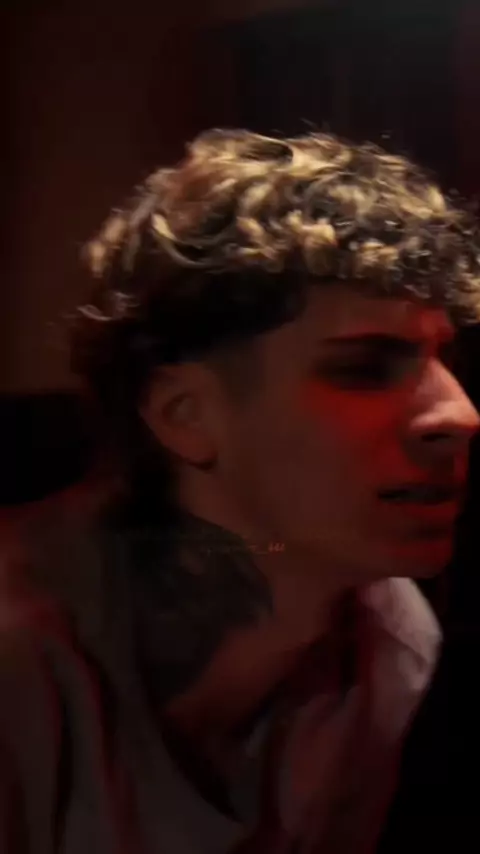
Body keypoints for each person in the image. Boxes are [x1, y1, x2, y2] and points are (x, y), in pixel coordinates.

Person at [1, 129, 479, 854]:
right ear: (184, 415)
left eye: (443, 358)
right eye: (364, 366)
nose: (460, 414)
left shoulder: (387, 640)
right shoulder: (22, 660)